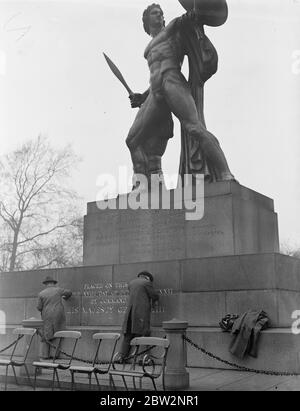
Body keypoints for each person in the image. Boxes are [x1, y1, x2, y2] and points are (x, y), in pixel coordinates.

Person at [127, 3, 235, 187]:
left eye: (161, 13)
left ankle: (226, 173)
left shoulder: (172, 28)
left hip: (172, 82)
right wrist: (142, 97)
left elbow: (192, 17)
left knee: (194, 128)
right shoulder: (148, 48)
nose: (159, 15)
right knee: (133, 140)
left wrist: (198, 12)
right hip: (155, 93)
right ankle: (146, 187)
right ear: (146, 20)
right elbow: (154, 75)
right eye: (155, 13)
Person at [119, 271, 159, 361]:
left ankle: (121, 357)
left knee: (128, 335)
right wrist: (156, 299)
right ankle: (145, 359)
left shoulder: (131, 283)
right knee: (145, 334)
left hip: (130, 313)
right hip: (141, 312)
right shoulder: (146, 283)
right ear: (148, 278)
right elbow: (154, 295)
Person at [37, 276, 72, 358]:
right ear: (53, 283)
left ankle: (45, 355)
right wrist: (65, 297)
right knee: (58, 332)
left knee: (47, 333)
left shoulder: (41, 293)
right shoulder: (58, 290)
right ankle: (55, 355)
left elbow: (39, 307)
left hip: (46, 314)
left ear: (46, 284)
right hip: (58, 313)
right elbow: (69, 292)